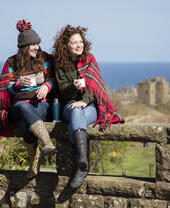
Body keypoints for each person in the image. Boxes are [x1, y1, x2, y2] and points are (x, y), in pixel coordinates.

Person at [53, 25, 124, 189]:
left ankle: (82, 163)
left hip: (90, 107)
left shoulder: (89, 59)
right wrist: (74, 86)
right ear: (66, 46)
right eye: (74, 42)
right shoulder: (60, 63)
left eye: (81, 41)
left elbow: (95, 88)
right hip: (68, 107)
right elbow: (63, 91)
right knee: (75, 111)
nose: (79, 45)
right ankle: (83, 163)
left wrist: (84, 100)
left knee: (79, 111)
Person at [0, 19, 56, 179]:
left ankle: (33, 162)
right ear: (24, 47)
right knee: (24, 109)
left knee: (26, 123)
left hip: (41, 104)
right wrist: (17, 85)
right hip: (18, 105)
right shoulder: (12, 62)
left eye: (38, 44)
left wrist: (47, 86)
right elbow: (5, 88)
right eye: (33, 45)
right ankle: (46, 142)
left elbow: (52, 79)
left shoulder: (44, 59)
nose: (37, 47)